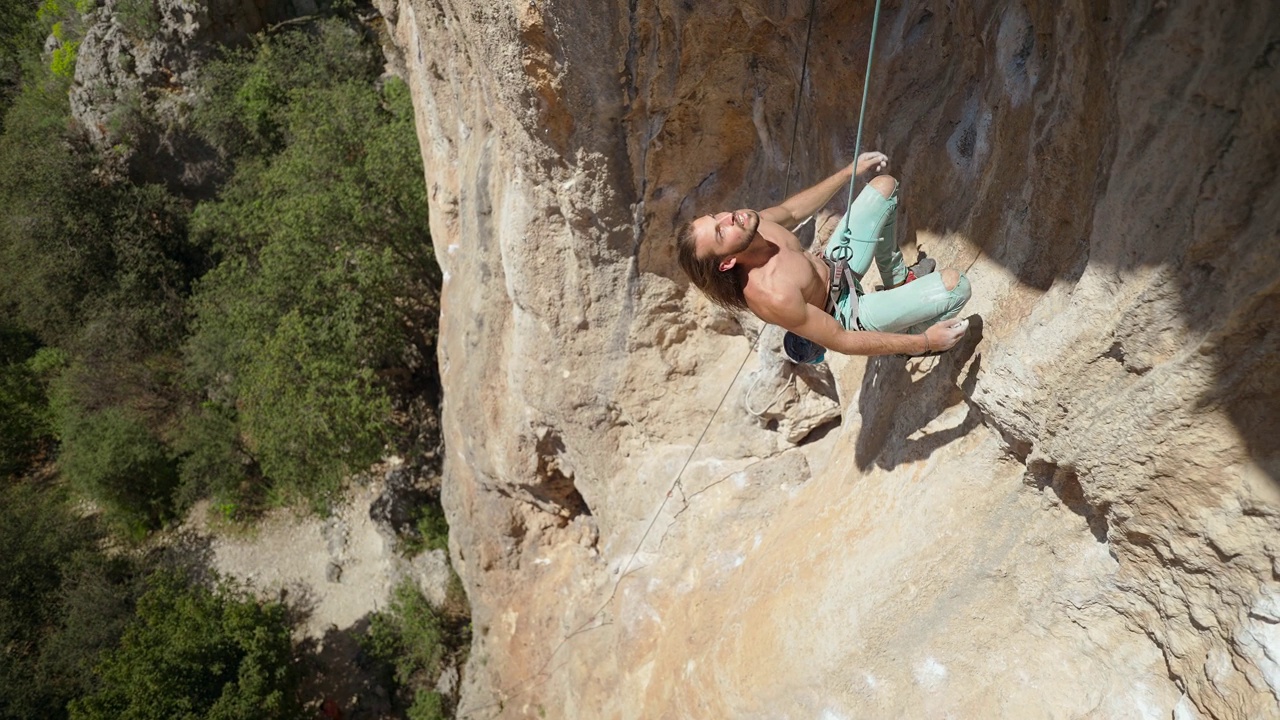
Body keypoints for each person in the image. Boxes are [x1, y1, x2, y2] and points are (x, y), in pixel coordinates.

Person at [676, 152, 972, 361]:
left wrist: (848, 172)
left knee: (885, 187)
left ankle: (897, 279)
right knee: (956, 286)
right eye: (720, 232)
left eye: (717, 215)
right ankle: (912, 332)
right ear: (727, 262)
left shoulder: (753, 225)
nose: (729, 217)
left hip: (837, 263)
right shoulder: (771, 295)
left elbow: (793, 211)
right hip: (848, 313)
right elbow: (841, 340)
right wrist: (922, 343)